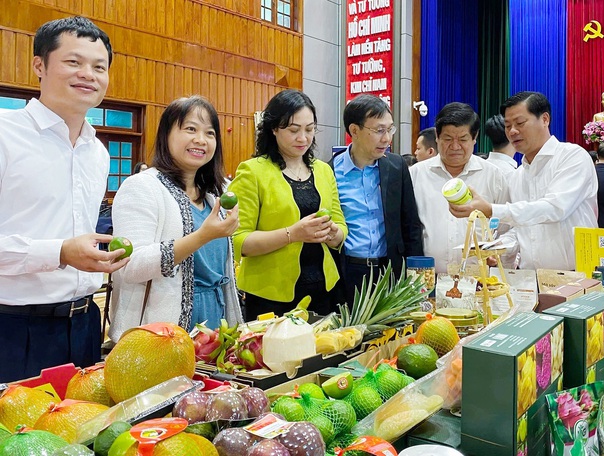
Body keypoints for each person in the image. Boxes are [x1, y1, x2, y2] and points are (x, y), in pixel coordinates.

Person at [0, 17, 126, 382]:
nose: (88, 74)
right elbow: (63, 247)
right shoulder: (6, 136)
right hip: (12, 325)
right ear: (39, 65)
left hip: (85, 325)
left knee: (81, 437)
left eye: (99, 67)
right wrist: (59, 252)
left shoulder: (96, 153)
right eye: (74, 62)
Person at [109, 96, 243, 341]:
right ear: (166, 135)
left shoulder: (217, 194)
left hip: (215, 323)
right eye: (190, 129)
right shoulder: (141, 187)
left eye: (210, 133)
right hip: (161, 331)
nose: (201, 140)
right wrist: (202, 236)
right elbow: (130, 265)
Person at [449, 91, 598, 271]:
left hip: (577, 275)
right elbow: (520, 230)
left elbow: (556, 208)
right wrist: (498, 249)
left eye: (520, 123)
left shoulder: (572, 156)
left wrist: (491, 209)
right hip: (531, 279)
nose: (512, 131)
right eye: (507, 125)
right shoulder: (517, 176)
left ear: (545, 119)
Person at [230, 90, 347, 318]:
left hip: (323, 289)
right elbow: (238, 241)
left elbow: (341, 224)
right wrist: (292, 234)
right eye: (293, 130)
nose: (303, 138)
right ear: (274, 129)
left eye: (310, 129)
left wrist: (334, 234)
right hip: (270, 296)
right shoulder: (252, 171)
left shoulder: (323, 170)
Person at [334, 94, 422, 305]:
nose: (387, 139)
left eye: (390, 129)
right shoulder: (330, 171)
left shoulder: (396, 166)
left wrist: (416, 277)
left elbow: (411, 225)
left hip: (390, 271)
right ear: (354, 131)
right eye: (379, 130)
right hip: (347, 272)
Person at [410, 102, 509, 273]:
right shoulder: (416, 175)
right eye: (448, 139)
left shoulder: (493, 176)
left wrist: (498, 249)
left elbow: (507, 227)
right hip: (427, 280)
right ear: (437, 136)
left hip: (479, 281)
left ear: (474, 137)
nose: (455, 147)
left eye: (462, 139)